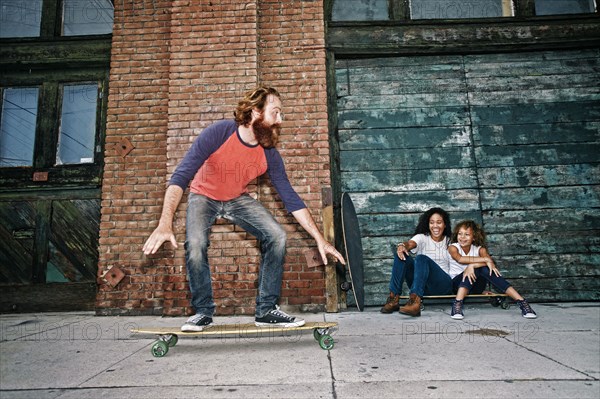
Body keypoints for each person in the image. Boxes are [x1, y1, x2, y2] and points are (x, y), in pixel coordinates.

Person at [143, 86, 345, 332]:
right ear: (254, 112)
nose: (280, 121)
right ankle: (203, 312)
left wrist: (319, 239)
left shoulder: (269, 154)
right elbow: (180, 177)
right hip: (203, 196)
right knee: (195, 245)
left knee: (277, 236)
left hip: (238, 199)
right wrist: (164, 223)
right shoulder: (219, 133)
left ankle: (267, 310)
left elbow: (290, 197)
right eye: (276, 113)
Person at [448, 220, 537, 320]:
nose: (462, 237)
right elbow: (460, 259)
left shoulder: (480, 249)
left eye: (467, 234)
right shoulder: (453, 247)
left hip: (476, 287)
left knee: (483, 268)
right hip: (457, 285)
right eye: (460, 234)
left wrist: (472, 266)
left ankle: (522, 302)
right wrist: (485, 259)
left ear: (474, 237)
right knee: (482, 267)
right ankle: (457, 304)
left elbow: (490, 263)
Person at [380, 207, 454, 316]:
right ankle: (394, 298)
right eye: (432, 222)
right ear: (428, 224)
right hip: (421, 287)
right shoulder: (422, 237)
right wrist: (402, 246)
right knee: (401, 254)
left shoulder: (450, 240)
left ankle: (415, 302)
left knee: (421, 258)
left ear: (445, 224)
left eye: (439, 222)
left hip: (443, 285)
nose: (435, 226)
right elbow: (410, 244)